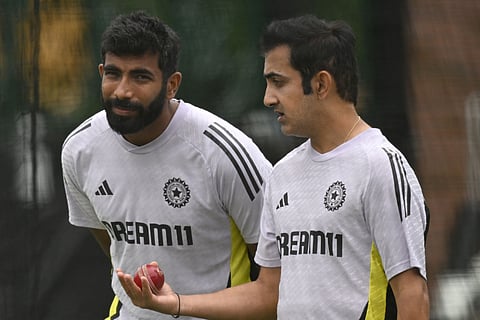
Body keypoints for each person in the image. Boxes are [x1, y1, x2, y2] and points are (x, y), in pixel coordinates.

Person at [116, 14, 431, 319]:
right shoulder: (282, 174)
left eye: (278, 82)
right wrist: (176, 304)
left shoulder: (380, 166)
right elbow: (267, 293)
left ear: (321, 84)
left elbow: (413, 297)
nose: (268, 98)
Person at [61, 11, 272, 320]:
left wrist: (180, 305)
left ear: (172, 85)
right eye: (113, 74)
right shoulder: (79, 150)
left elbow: (274, 286)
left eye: (140, 77)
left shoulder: (225, 154)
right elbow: (114, 246)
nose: (122, 91)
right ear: (101, 72)